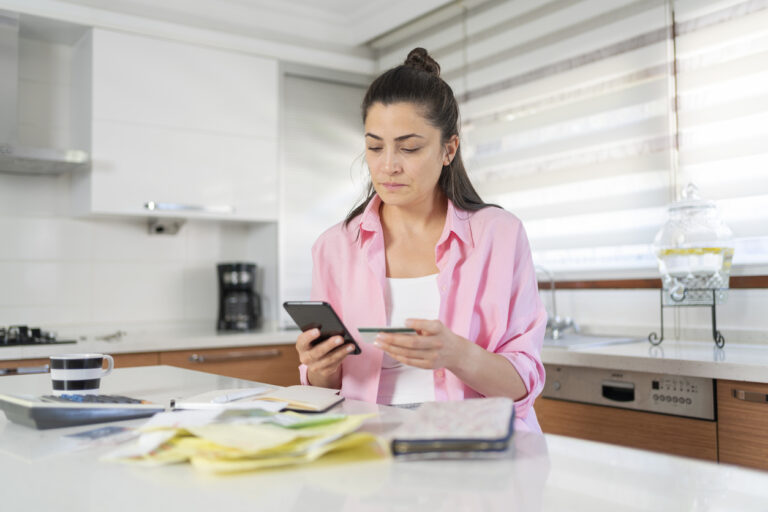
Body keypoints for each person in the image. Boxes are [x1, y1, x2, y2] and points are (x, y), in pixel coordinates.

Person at [294, 47, 547, 432]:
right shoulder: (334, 247)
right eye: (375, 146)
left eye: (409, 147)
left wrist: (456, 354)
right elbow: (325, 393)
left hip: (476, 442)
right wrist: (319, 369)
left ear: (449, 149)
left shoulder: (499, 234)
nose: (387, 165)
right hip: (368, 444)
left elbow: (522, 387)